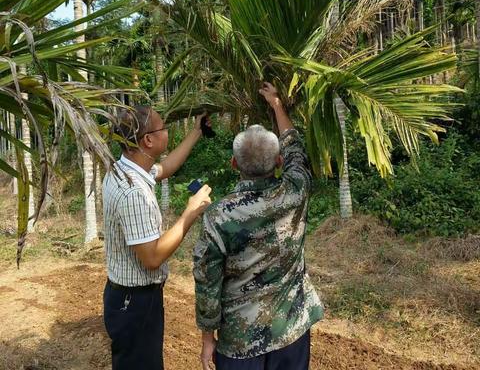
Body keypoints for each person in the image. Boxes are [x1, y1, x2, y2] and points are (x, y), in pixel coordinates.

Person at [194, 82, 324, 370]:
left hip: (241, 343)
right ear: (278, 162)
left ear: (233, 164)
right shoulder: (295, 191)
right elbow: (295, 150)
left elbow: (207, 281)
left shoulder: (219, 216)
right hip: (291, 331)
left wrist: (207, 338)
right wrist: (276, 104)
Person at [103, 105, 212, 370]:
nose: (167, 131)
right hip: (135, 303)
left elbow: (165, 168)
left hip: (130, 298)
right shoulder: (133, 193)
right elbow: (152, 257)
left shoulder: (126, 168)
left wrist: (196, 132)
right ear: (148, 140)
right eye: (163, 128)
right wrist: (190, 213)